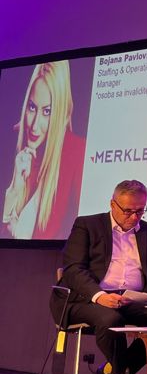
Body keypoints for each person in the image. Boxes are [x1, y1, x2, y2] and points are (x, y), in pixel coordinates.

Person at [54, 180, 147, 374]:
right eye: (128, 211)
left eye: (140, 211)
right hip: (86, 299)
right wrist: (100, 296)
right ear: (113, 204)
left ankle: (110, 372)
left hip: (131, 299)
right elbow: (73, 270)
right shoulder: (87, 225)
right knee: (110, 318)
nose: (134, 217)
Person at [3, 61, 84, 240]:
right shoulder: (14, 145)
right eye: (32, 108)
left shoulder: (77, 153)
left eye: (47, 112)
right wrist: (14, 191)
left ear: (61, 114)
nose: (34, 125)